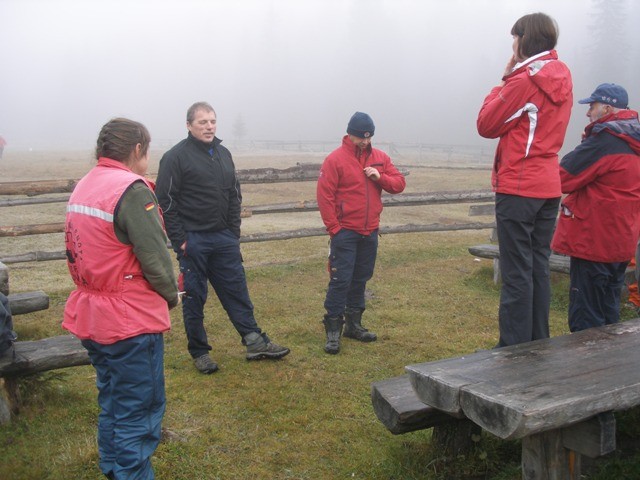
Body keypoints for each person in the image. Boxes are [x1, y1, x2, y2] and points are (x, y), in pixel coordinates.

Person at [63, 118, 180, 479]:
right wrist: (170, 295)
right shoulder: (131, 190)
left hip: (93, 314)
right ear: (137, 150)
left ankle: (114, 470)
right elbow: (156, 257)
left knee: (113, 402)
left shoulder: (86, 184)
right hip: (129, 320)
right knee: (138, 412)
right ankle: (131, 473)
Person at [155, 102, 290, 374]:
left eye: (212, 121)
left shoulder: (224, 154)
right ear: (189, 125)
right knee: (195, 297)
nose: (209, 126)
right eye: (202, 122)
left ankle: (254, 341)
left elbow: (234, 195)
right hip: (193, 241)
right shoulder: (175, 157)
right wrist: (180, 239)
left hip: (223, 239)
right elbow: (165, 200)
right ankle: (199, 352)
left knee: (237, 291)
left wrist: (233, 233)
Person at [476, 12, 573, 347]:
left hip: (519, 187)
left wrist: (503, 80)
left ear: (525, 39)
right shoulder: (562, 75)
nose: (512, 44)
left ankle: (513, 351)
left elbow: (487, 124)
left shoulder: (524, 81)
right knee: (537, 268)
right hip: (548, 186)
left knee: (517, 273)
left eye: (514, 37)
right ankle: (537, 344)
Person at [551, 83, 640, 332]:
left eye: (592, 106)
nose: (588, 112)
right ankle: (609, 368)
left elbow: (563, 176)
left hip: (594, 241)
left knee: (586, 319)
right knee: (609, 313)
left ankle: (587, 371)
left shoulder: (605, 141)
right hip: (621, 241)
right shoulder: (633, 140)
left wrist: (586, 144)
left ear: (607, 108)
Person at [316, 112, 406, 354]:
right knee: (340, 280)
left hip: (370, 231)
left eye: (368, 137)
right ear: (350, 134)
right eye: (360, 137)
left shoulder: (380, 158)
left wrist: (381, 177)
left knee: (361, 278)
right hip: (345, 232)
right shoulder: (334, 160)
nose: (365, 141)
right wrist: (335, 228)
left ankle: (354, 326)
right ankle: (333, 331)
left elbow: (399, 184)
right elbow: (324, 196)